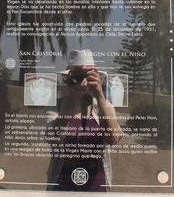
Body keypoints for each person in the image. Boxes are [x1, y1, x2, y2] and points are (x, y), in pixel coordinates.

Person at [46, 49, 121, 191]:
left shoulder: (104, 106)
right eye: (77, 77)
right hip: (63, 182)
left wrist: (99, 95)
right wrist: (73, 99)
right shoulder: (57, 106)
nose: (82, 81)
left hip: (96, 183)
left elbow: (113, 139)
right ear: (67, 79)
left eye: (86, 76)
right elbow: (54, 141)